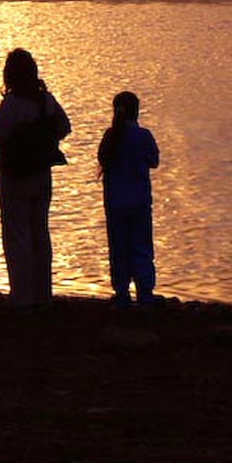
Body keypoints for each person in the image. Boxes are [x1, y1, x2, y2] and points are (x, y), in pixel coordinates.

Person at [0, 48, 71, 309]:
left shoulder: (13, 104)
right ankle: (42, 294)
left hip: (15, 175)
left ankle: (22, 297)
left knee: (17, 235)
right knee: (39, 233)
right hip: (41, 174)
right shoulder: (46, 101)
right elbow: (65, 127)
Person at [97, 91, 160, 308]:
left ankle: (122, 293)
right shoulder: (143, 136)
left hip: (115, 203)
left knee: (119, 248)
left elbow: (102, 159)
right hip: (140, 202)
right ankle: (145, 294)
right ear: (137, 111)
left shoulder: (110, 136)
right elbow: (154, 161)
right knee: (142, 247)